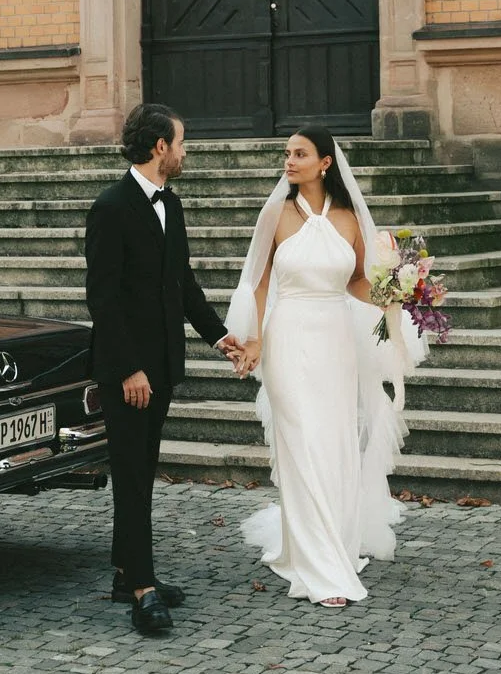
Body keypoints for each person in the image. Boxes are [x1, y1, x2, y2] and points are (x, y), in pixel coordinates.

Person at [225, 127, 426, 608]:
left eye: (300, 154)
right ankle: (322, 570)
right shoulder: (276, 214)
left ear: (325, 163)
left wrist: (396, 294)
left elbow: (357, 281)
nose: (289, 161)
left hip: (336, 342)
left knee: (333, 444)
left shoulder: (350, 217)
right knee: (301, 444)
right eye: (286, 154)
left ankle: (325, 541)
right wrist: (252, 339)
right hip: (288, 337)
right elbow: (255, 282)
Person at [85, 102, 241, 637]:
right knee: (130, 477)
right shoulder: (110, 207)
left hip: (162, 366)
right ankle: (142, 590)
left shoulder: (170, 205)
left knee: (141, 472)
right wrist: (128, 369)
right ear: (159, 147)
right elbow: (102, 301)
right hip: (127, 373)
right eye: (180, 142)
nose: (184, 151)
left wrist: (220, 338)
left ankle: (128, 572)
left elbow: (184, 286)